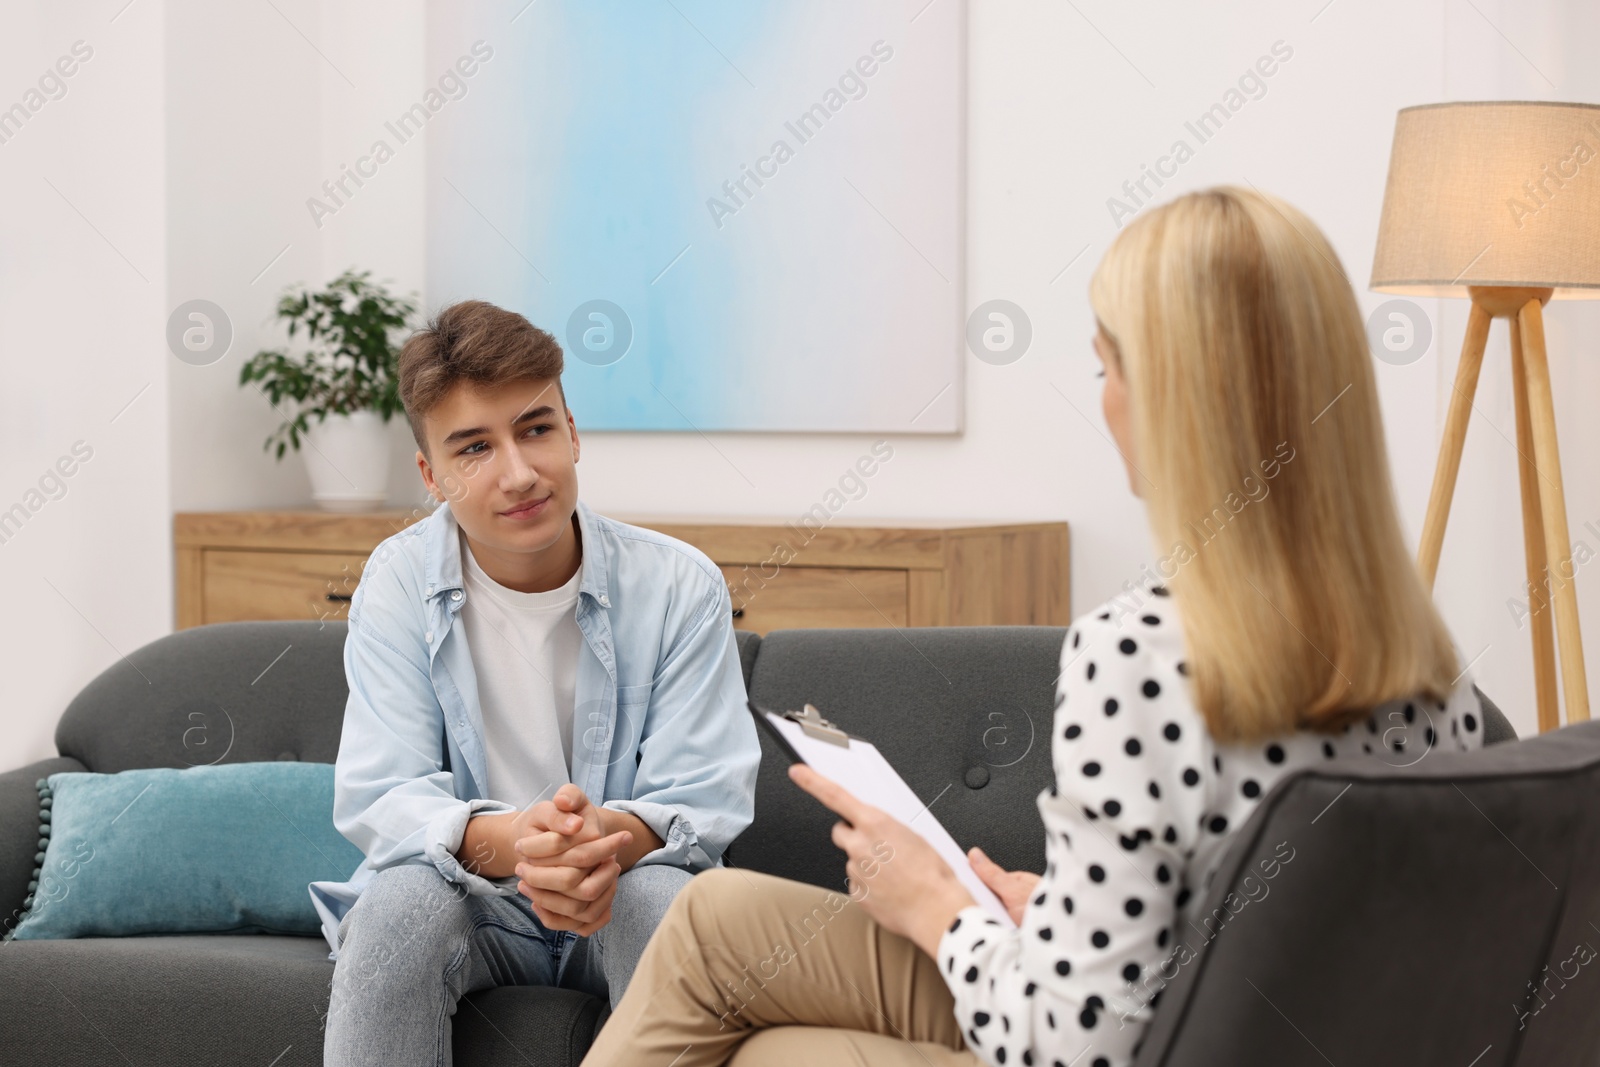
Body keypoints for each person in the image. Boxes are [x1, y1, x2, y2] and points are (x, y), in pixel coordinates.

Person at [578, 186, 1487, 1067]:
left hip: (1132, 1040)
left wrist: (939, 905)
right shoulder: (1425, 661)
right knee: (727, 947)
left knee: (761, 1024)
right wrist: (1058, 907)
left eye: (1107, 367)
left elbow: (1071, 1046)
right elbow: (1272, 933)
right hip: (1231, 1026)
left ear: (1177, 400)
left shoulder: (1135, 654)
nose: (1106, 402)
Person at [312, 300, 761, 1066]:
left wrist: (590, 850)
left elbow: (703, 796)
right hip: (474, 898)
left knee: (661, 898)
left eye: (536, 428)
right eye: (474, 447)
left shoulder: (681, 584)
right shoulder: (393, 583)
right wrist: (516, 842)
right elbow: (382, 795)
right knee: (398, 908)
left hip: (623, 885)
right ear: (432, 474)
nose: (519, 473)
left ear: (573, 430)